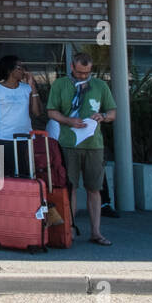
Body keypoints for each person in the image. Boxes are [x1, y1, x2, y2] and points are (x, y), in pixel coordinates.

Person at [46, 52, 117, 246]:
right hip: (68, 143)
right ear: (71, 67)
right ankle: (69, 229)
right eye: (79, 72)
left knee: (94, 189)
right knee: (70, 188)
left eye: (87, 73)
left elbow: (112, 112)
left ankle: (96, 232)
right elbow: (51, 111)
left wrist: (103, 116)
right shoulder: (60, 84)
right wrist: (68, 120)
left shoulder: (100, 86)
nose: (83, 76)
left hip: (94, 144)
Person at [0, 55, 40, 178]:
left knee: (27, 174)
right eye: (20, 68)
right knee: (7, 176)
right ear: (10, 70)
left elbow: (36, 112)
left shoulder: (26, 89)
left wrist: (33, 87)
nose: (23, 71)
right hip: (5, 138)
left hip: (26, 138)